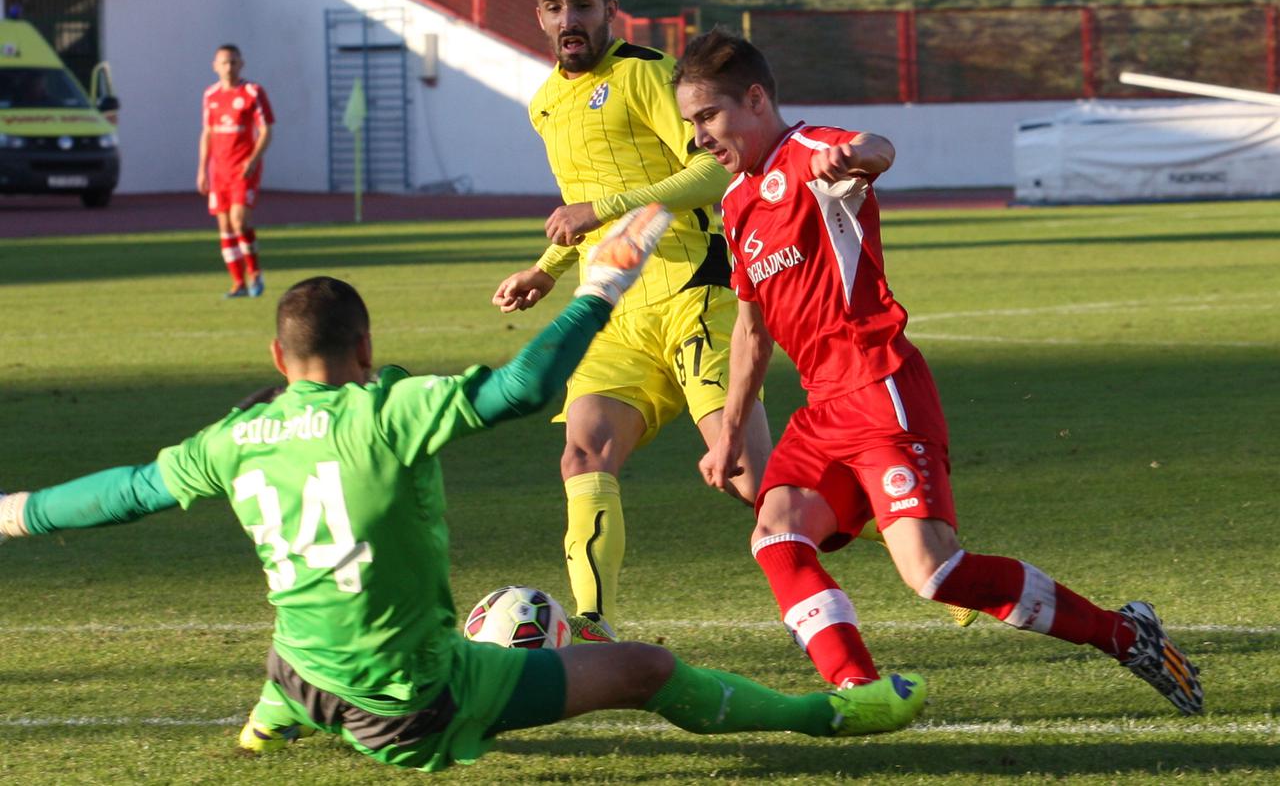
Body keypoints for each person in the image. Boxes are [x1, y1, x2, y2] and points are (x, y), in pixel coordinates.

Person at [0, 207, 929, 772]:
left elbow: (124, 490)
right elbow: (523, 389)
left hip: (302, 672)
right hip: (413, 704)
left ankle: (271, 720)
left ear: (277, 360)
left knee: (312, 621)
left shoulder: (234, 436)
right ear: (363, 351)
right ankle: (834, 710)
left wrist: (14, 512)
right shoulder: (392, 409)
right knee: (643, 667)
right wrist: (601, 288)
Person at [671, 28, 1203, 715]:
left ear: (753, 97)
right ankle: (858, 691)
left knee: (934, 570)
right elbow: (749, 334)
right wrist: (728, 437)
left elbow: (878, 150)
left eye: (707, 117)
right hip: (822, 406)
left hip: (879, 385)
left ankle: (1125, 633)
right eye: (691, 123)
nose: (699, 136)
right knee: (776, 535)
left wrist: (854, 156)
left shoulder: (810, 154)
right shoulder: (738, 203)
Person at [491, 0, 770, 644]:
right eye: (554, 8)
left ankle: (923, 552)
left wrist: (603, 207)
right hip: (613, 312)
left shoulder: (645, 75)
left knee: (752, 482)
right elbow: (580, 207)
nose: (569, 19)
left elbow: (714, 172)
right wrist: (545, 269)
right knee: (582, 454)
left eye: (582, 4)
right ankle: (591, 625)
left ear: (609, 8)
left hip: (691, 294)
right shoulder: (545, 104)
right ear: (539, 17)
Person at [197, 43, 273, 299]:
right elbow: (207, 133)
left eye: (233, 62)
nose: (228, 67)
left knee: (240, 221)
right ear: (215, 66)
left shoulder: (252, 92)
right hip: (219, 171)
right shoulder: (210, 95)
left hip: (243, 168)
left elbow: (266, 130)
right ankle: (238, 283)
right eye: (224, 63)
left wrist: (253, 159)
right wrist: (202, 170)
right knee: (225, 226)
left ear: (241, 64)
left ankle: (255, 273)